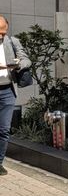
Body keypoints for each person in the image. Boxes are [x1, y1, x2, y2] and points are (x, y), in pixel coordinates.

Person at [0, 15, 31, 176]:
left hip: (7, 92)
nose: (1, 36)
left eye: (3, 32)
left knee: (4, 129)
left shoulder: (13, 42)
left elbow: (27, 60)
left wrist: (18, 64)